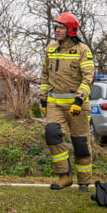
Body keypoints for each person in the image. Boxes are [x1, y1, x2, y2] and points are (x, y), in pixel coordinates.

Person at [39, 12, 96, 191]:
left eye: (61, 27)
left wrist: (79, 100)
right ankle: (64, 175)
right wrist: (42, 99)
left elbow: (88, 78)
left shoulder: (83, 50)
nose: (57, 30)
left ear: (70, 30)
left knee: (81, 144)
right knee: (52, 135)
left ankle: (84, 182)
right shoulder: (50, 49)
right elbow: (45, 75)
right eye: (56, 27)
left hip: (76, 105)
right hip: (55, 103)